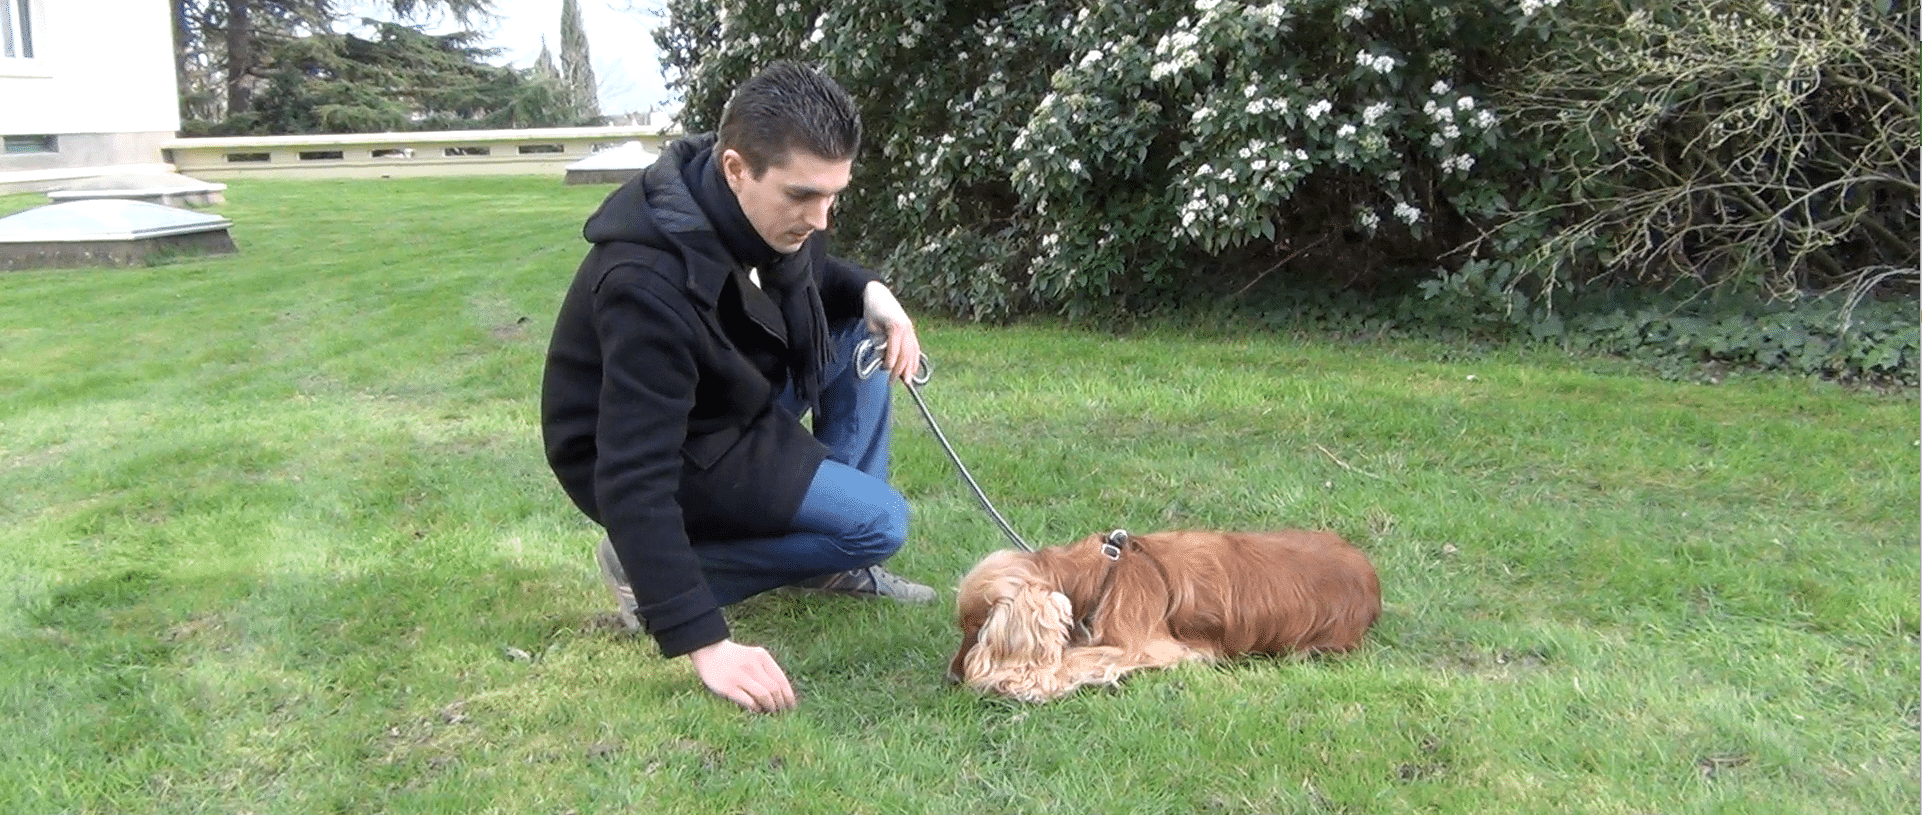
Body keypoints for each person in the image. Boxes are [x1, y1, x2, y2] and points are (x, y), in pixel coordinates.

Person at [540, 61, 933, 714]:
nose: (821, 216)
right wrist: (704, 639)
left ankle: (827, 553)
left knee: (862, 334)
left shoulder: (752, 208)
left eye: (833, 195)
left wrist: (875, 293)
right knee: (881, 522)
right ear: (735, 168)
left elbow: (814, 275)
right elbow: (633, 472)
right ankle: (649, 573)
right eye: (804, 196)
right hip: (683, 447)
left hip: (729, 400)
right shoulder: (646, 284)